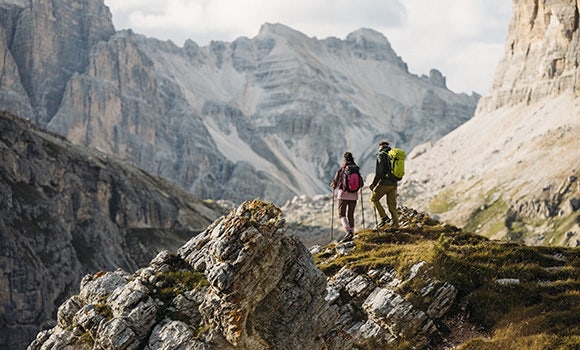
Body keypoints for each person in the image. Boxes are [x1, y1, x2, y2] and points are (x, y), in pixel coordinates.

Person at [330, 152, 362, 242]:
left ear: (344, 159)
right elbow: (361, 183)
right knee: (350, 214)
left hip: (343, 195)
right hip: (354, 196)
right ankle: (351, 232)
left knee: (341, 214)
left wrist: (333, 185)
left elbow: (335, 184)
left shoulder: (341, 169)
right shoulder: (356, 169)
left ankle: (347, 231)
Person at [369, 140, 399, 229]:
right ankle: (395, 225)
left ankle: (384, 217)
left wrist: (374, 184)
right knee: (392, 205)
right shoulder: (393, 155)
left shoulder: (381, 155)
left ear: (381, 146)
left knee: (374, 199)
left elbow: (379, 171)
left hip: (385, 183)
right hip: (394, 183)